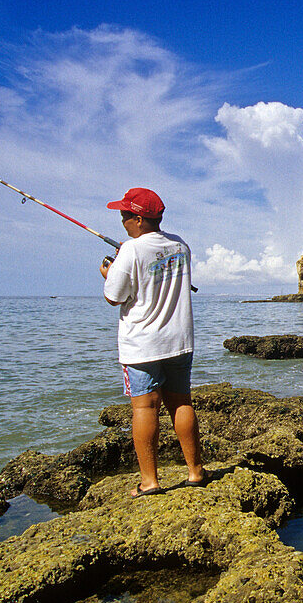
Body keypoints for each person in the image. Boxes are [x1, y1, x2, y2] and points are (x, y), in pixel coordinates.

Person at [99, 188, 207, 497]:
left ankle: (150, 482)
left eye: (124, 216)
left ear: (138, 219)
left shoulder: (131, 251)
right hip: (180, 340)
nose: (121, 221)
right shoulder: (180, 245)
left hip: (142, 346)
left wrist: (109, 271)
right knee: (181, 403)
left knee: (145, 408)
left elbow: (113, 296)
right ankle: (195, 471)